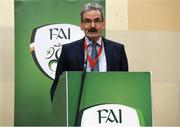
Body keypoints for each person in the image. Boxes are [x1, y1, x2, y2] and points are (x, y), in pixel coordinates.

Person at [51, 2, 128, 101]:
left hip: (109, 105)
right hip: (77, 108)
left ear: (103, 24)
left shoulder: (118, 50)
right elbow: (57, 87)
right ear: (81, 25)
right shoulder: (68, 50)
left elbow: (124, 85)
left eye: (97, 21)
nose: (92, 26)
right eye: (87, 21)